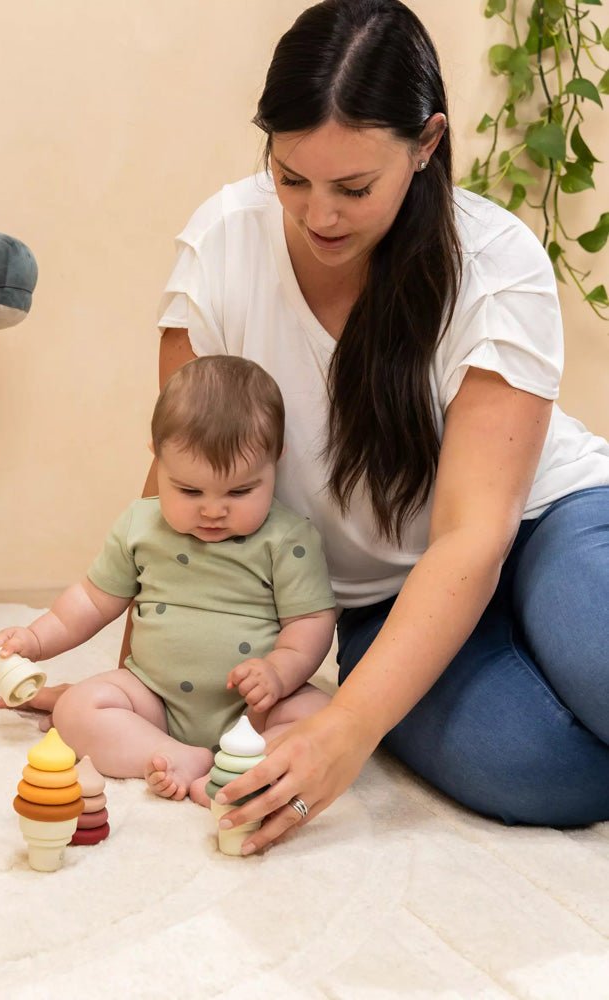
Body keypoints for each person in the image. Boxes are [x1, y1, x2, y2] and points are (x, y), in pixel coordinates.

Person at [133, 0, 609, 852]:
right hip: (383, 599)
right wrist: (146, 685)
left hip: (545, 523)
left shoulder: (496, 266)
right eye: (291, 178)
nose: (320, 216)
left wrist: (348, 729)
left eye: (354, 188)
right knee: (540, 771)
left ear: (426, 145)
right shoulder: (224, 247)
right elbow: (179, 476)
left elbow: (473, 537)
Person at [0, 355, 336, 801]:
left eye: (240, 491)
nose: (213, 510)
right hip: (155, 700)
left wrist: (279, 672)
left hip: (254, 708)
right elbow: (91, 601)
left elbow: (310, 622)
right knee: (76, 709)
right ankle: (171, 755)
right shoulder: (141, 525)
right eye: (190, 490)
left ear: (276, 460)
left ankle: (244, 769)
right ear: (157, 458)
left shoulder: (288, 538)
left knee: (321, 716)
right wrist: (35, 640)